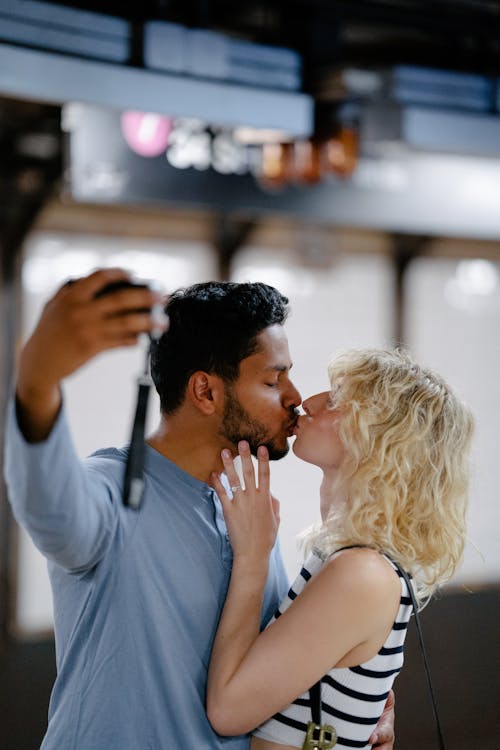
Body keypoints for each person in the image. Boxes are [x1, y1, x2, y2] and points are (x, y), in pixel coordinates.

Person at [4, 268, 395, 750]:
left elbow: (268, 681)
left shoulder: (251, 512)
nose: (295, 399)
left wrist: (350, 722)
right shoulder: (111, 490)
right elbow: (51, 512)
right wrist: (37, 383)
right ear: (206, 392)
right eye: (274, 381)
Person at [207, 348, 473, 750]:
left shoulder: (361, 572)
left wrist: (252, 557)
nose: (306, 403)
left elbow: (227, 711)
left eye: (336, 400)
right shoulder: (350, 560)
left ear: (380, 439)